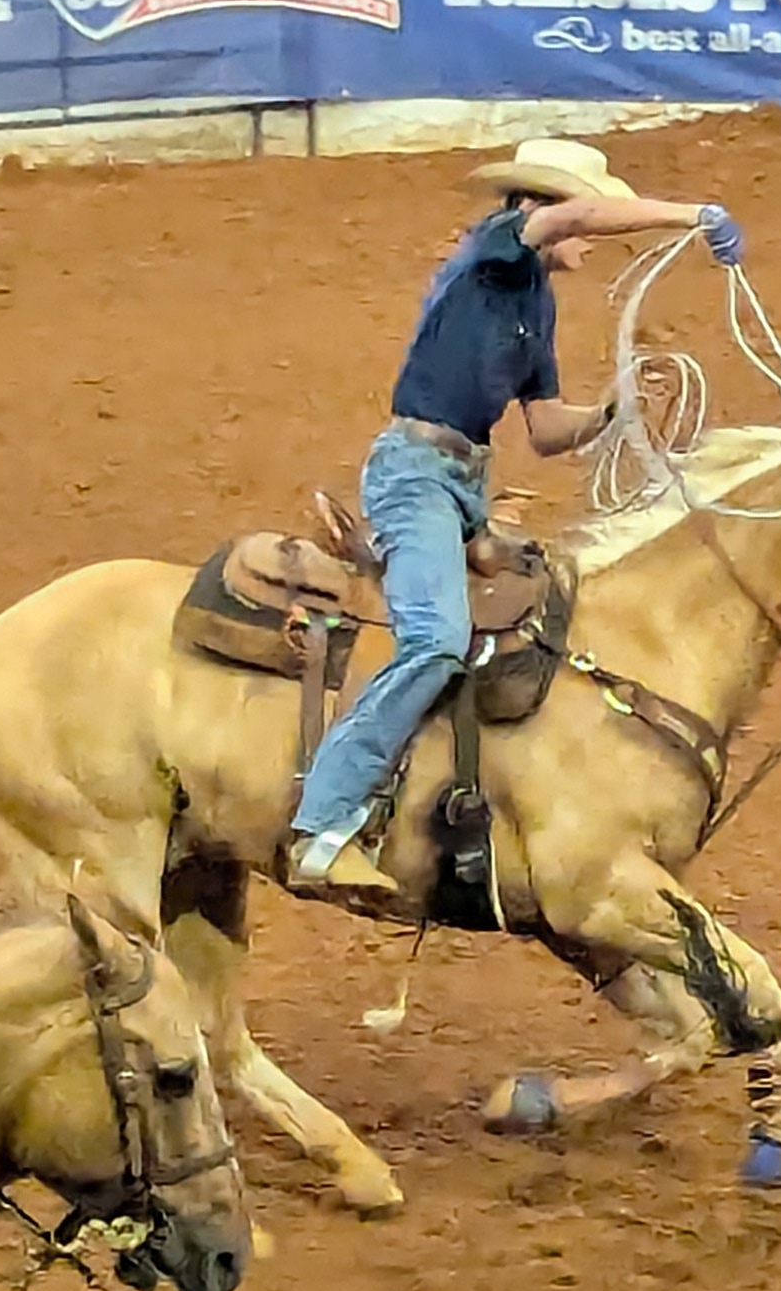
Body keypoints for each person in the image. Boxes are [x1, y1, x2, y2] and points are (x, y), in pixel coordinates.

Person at [285, 138, 746, 896]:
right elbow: (581, 215)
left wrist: (612, 408)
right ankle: (322, 820)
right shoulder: (496, 245)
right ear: (537, 208)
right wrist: (692, 214)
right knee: (435, 640)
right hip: (414, 476)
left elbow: (545, 429)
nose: (591, 238)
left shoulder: (535, 301)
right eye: (581, 219)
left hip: (463, 486)